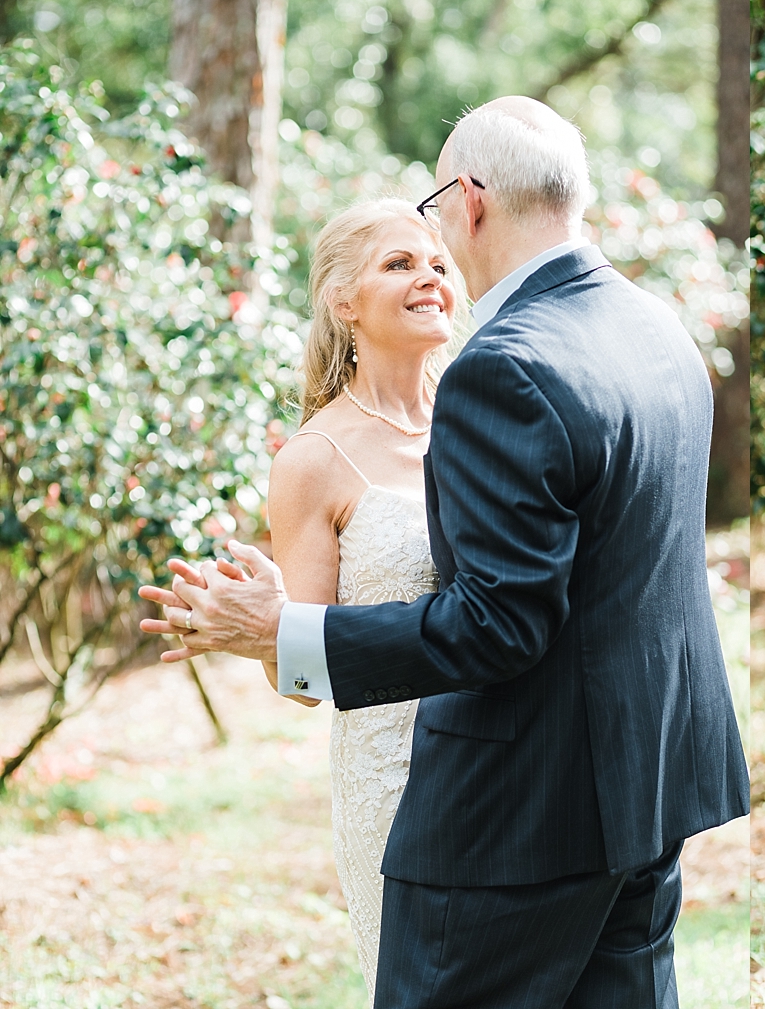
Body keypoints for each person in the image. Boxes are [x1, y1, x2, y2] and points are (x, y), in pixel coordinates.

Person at [141, 97, 750, 1009]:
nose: (433, 268)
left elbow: (503, 623)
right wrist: (286, 630)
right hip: (644, 776)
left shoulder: (502, 370)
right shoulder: (655, 326)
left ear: (469, 200)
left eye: (432, 241)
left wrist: (286, 631)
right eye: (398, 261)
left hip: (514, 808)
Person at [247, 198, 465, 1002]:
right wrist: (263, 624)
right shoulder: (314, 458)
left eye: (438, 264)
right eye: (400, 264)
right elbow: (301, 683)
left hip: (507, 757)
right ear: (344, 301)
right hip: (392, 782)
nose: (429, 279)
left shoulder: (479, 414)